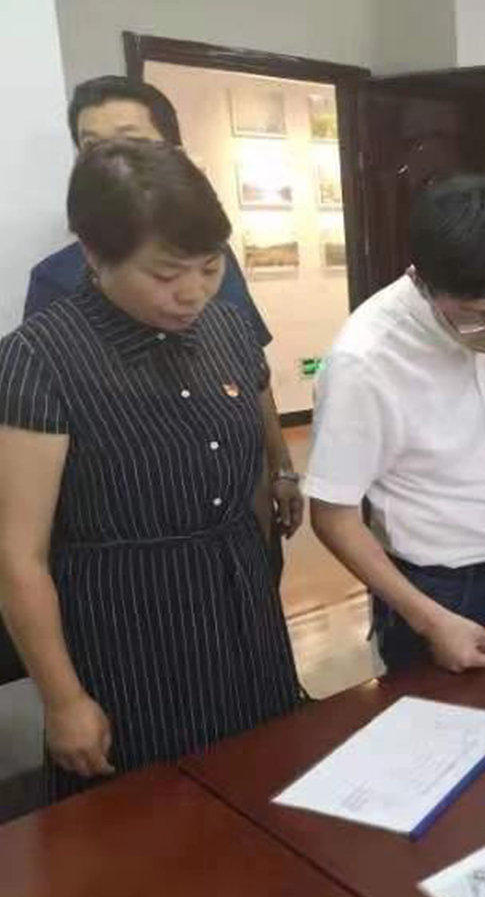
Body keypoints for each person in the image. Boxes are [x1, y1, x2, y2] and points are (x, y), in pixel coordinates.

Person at [0, 140, 302, 801]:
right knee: (152, 816)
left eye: (209, 267)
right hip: (128, 627)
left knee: (267, 784)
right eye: (166, 274)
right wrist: (63, 699)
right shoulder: (39, 358)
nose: (192, 292)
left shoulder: (228, 330)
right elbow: (18, 556)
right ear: (93, 255)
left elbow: (252, 460)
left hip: (242, 608)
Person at [23, 75, 303, 553]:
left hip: (236, 524)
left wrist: (280, 465)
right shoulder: (53, 290)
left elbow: (251, 372)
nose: (190, 292)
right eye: (92, 147)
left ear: (173, 153)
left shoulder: (212, 256)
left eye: (130, 143)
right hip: (134, 539)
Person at [306, 176, 485, 674]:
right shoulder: (365, 360)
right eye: (476, 318)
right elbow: (332, 517)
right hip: (436, 594)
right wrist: (430, 621)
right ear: (420, 282)